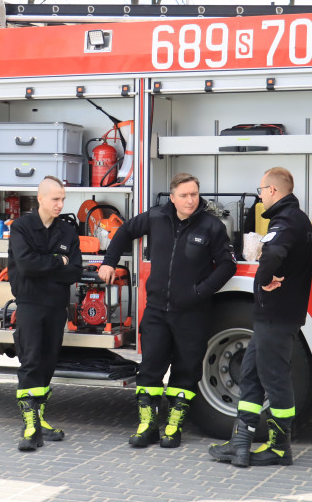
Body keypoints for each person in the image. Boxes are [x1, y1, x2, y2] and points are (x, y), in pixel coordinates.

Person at [98, 172, 236, 448]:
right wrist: (109, 261)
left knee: (186, 372)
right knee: (149, 370)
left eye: (194, 194)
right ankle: (147, 426)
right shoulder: (156, 217)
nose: (190, 200)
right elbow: (124, 230)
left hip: (192, 314)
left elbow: (227, 265)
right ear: (172, 198)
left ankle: (173, 428)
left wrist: (200, 292)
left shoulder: (211, 226)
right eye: (184, 195)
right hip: (157, 311)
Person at [209, 166, 312, 467]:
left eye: (261, 190)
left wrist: (265, 277)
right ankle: (240, 444)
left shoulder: (287, 222)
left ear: (273, 191)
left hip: (277, 317)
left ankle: (280, 448)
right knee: (251, 375)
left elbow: (275, 254)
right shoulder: (293, 219)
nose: (260, 195)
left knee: (275, 380)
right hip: (273, 317)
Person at [7, 175, 83, 451]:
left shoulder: (67, 231)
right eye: (55, 199)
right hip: (30, 305)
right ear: (40, 199)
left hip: (55, 307)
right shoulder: (22, 227)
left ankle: (39, 419)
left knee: (48, 363)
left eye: (63, 199)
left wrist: (47, 267)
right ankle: (29, 428)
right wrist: (56, 262)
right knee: (31, 362)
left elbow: (74, 270)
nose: (60, 204)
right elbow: (26, 266)